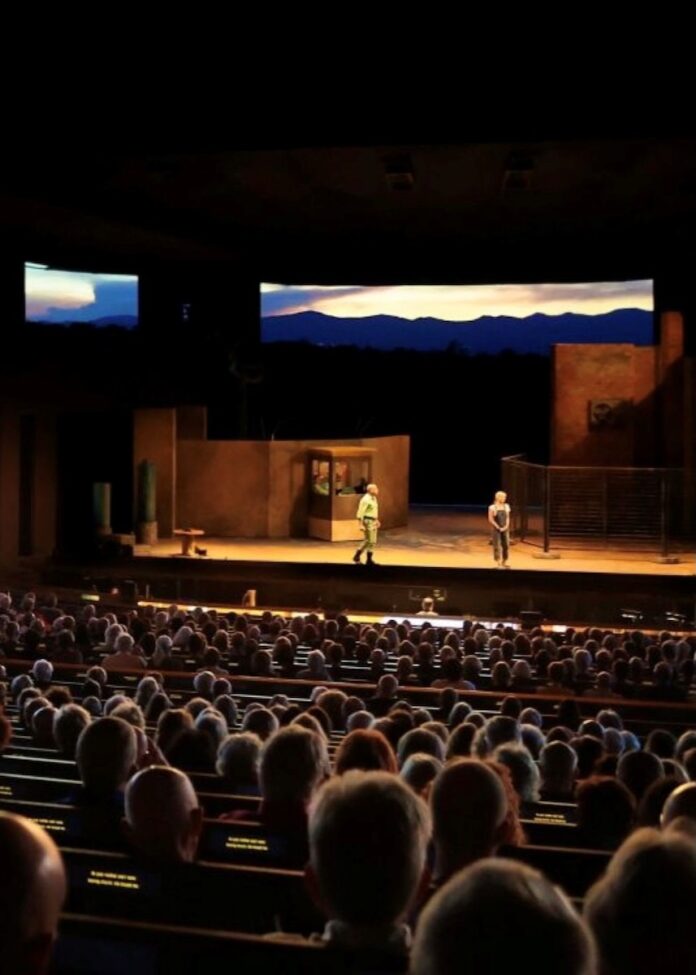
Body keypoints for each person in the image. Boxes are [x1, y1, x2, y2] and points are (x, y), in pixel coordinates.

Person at [353, 482, 380, 566]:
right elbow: (361, 512)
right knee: (370, 540)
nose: (377, 490)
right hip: (368, 521)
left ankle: (358, 557)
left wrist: (377, 520)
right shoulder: (365, 499)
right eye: (375, 488)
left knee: (371, 541)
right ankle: (367, 559)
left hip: (372, 521)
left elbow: (373, 511)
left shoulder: (373, 498)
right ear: (370, 490)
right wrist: (360, 524)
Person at [488, 490, 511, 567]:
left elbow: (507, 517)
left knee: (506, 545)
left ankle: (504, 560)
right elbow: (490, 519)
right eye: (504, 497)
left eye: (505, 497)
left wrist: (506, 526)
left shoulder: (506, 506)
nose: (505, 498)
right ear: (499, 498)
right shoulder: (492, 507)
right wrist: (498, 527)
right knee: (497, 545)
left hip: (505, 528)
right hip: (496, 528)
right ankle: (498, 561)